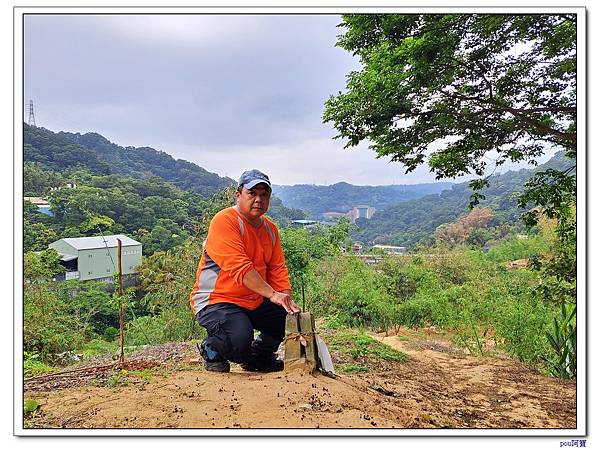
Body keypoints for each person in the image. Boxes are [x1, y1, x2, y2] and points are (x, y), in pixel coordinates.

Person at [189, 169, 301, 373]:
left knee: (287, 318)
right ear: (238, 195)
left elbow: (277, 269)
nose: (258, 199)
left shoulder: (270, 229)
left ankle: (259, 357)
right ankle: (213, 349)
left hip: (253, 300)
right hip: (216, 300)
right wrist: (273, 294)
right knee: (239, 340)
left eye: (264, 194)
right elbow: (240, 268)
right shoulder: (225, 221)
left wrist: (285, 298)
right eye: (252, 193)